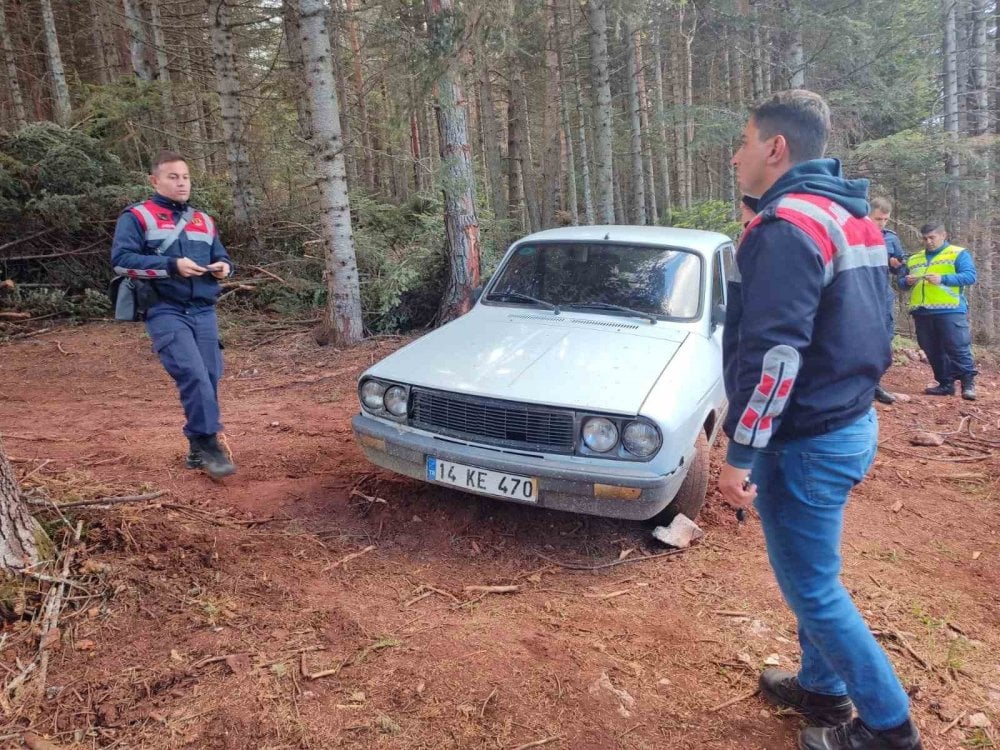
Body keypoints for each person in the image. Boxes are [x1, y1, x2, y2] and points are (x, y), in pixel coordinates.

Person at [720, 90, 921, 750]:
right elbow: (871, 325)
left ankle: (890, 729)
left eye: (745, 141)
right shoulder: (846, 218)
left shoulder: (787, 229)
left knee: (812, 589)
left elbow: (776, 357)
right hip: (846, 421)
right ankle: (822, 687)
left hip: (806, 439)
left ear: (776, 148)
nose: (735, 154)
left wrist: (742, 452)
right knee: (815, 577)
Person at [111, 150, 237, 479]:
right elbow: (121, 260)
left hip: (204, 310)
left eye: (185, 177)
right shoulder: (137, 217)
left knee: (209, 376)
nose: (181, 183)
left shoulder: (203, 219)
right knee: (193, 374)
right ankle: (209, 444)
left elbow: (221, 256)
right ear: (155, 181)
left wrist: (225, 267)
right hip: (165, 309)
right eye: (173, 177)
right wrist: (171, 265)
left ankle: (197, 447)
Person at [897, 221, 978, 400]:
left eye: (932, 237)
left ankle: (968, 385)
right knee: (931, 349)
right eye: (925, 238)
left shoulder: (958, 253)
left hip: (950, 309)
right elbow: (901, 283)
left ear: (943, 235)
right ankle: (945, 383)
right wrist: (907, 281)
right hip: (922, 311)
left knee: (958, 347)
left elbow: (970, 276)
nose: (928, 241)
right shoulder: (915, 258)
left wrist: (943, 278)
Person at [869, 197, 905, 405]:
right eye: (878, 218)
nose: (881, 223)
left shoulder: (891, 238)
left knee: (885, 337)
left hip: (882, 291)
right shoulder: (853, 231)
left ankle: (874, 383)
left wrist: (897, 265)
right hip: (859, 289)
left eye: (885, 219)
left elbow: (899, 267)